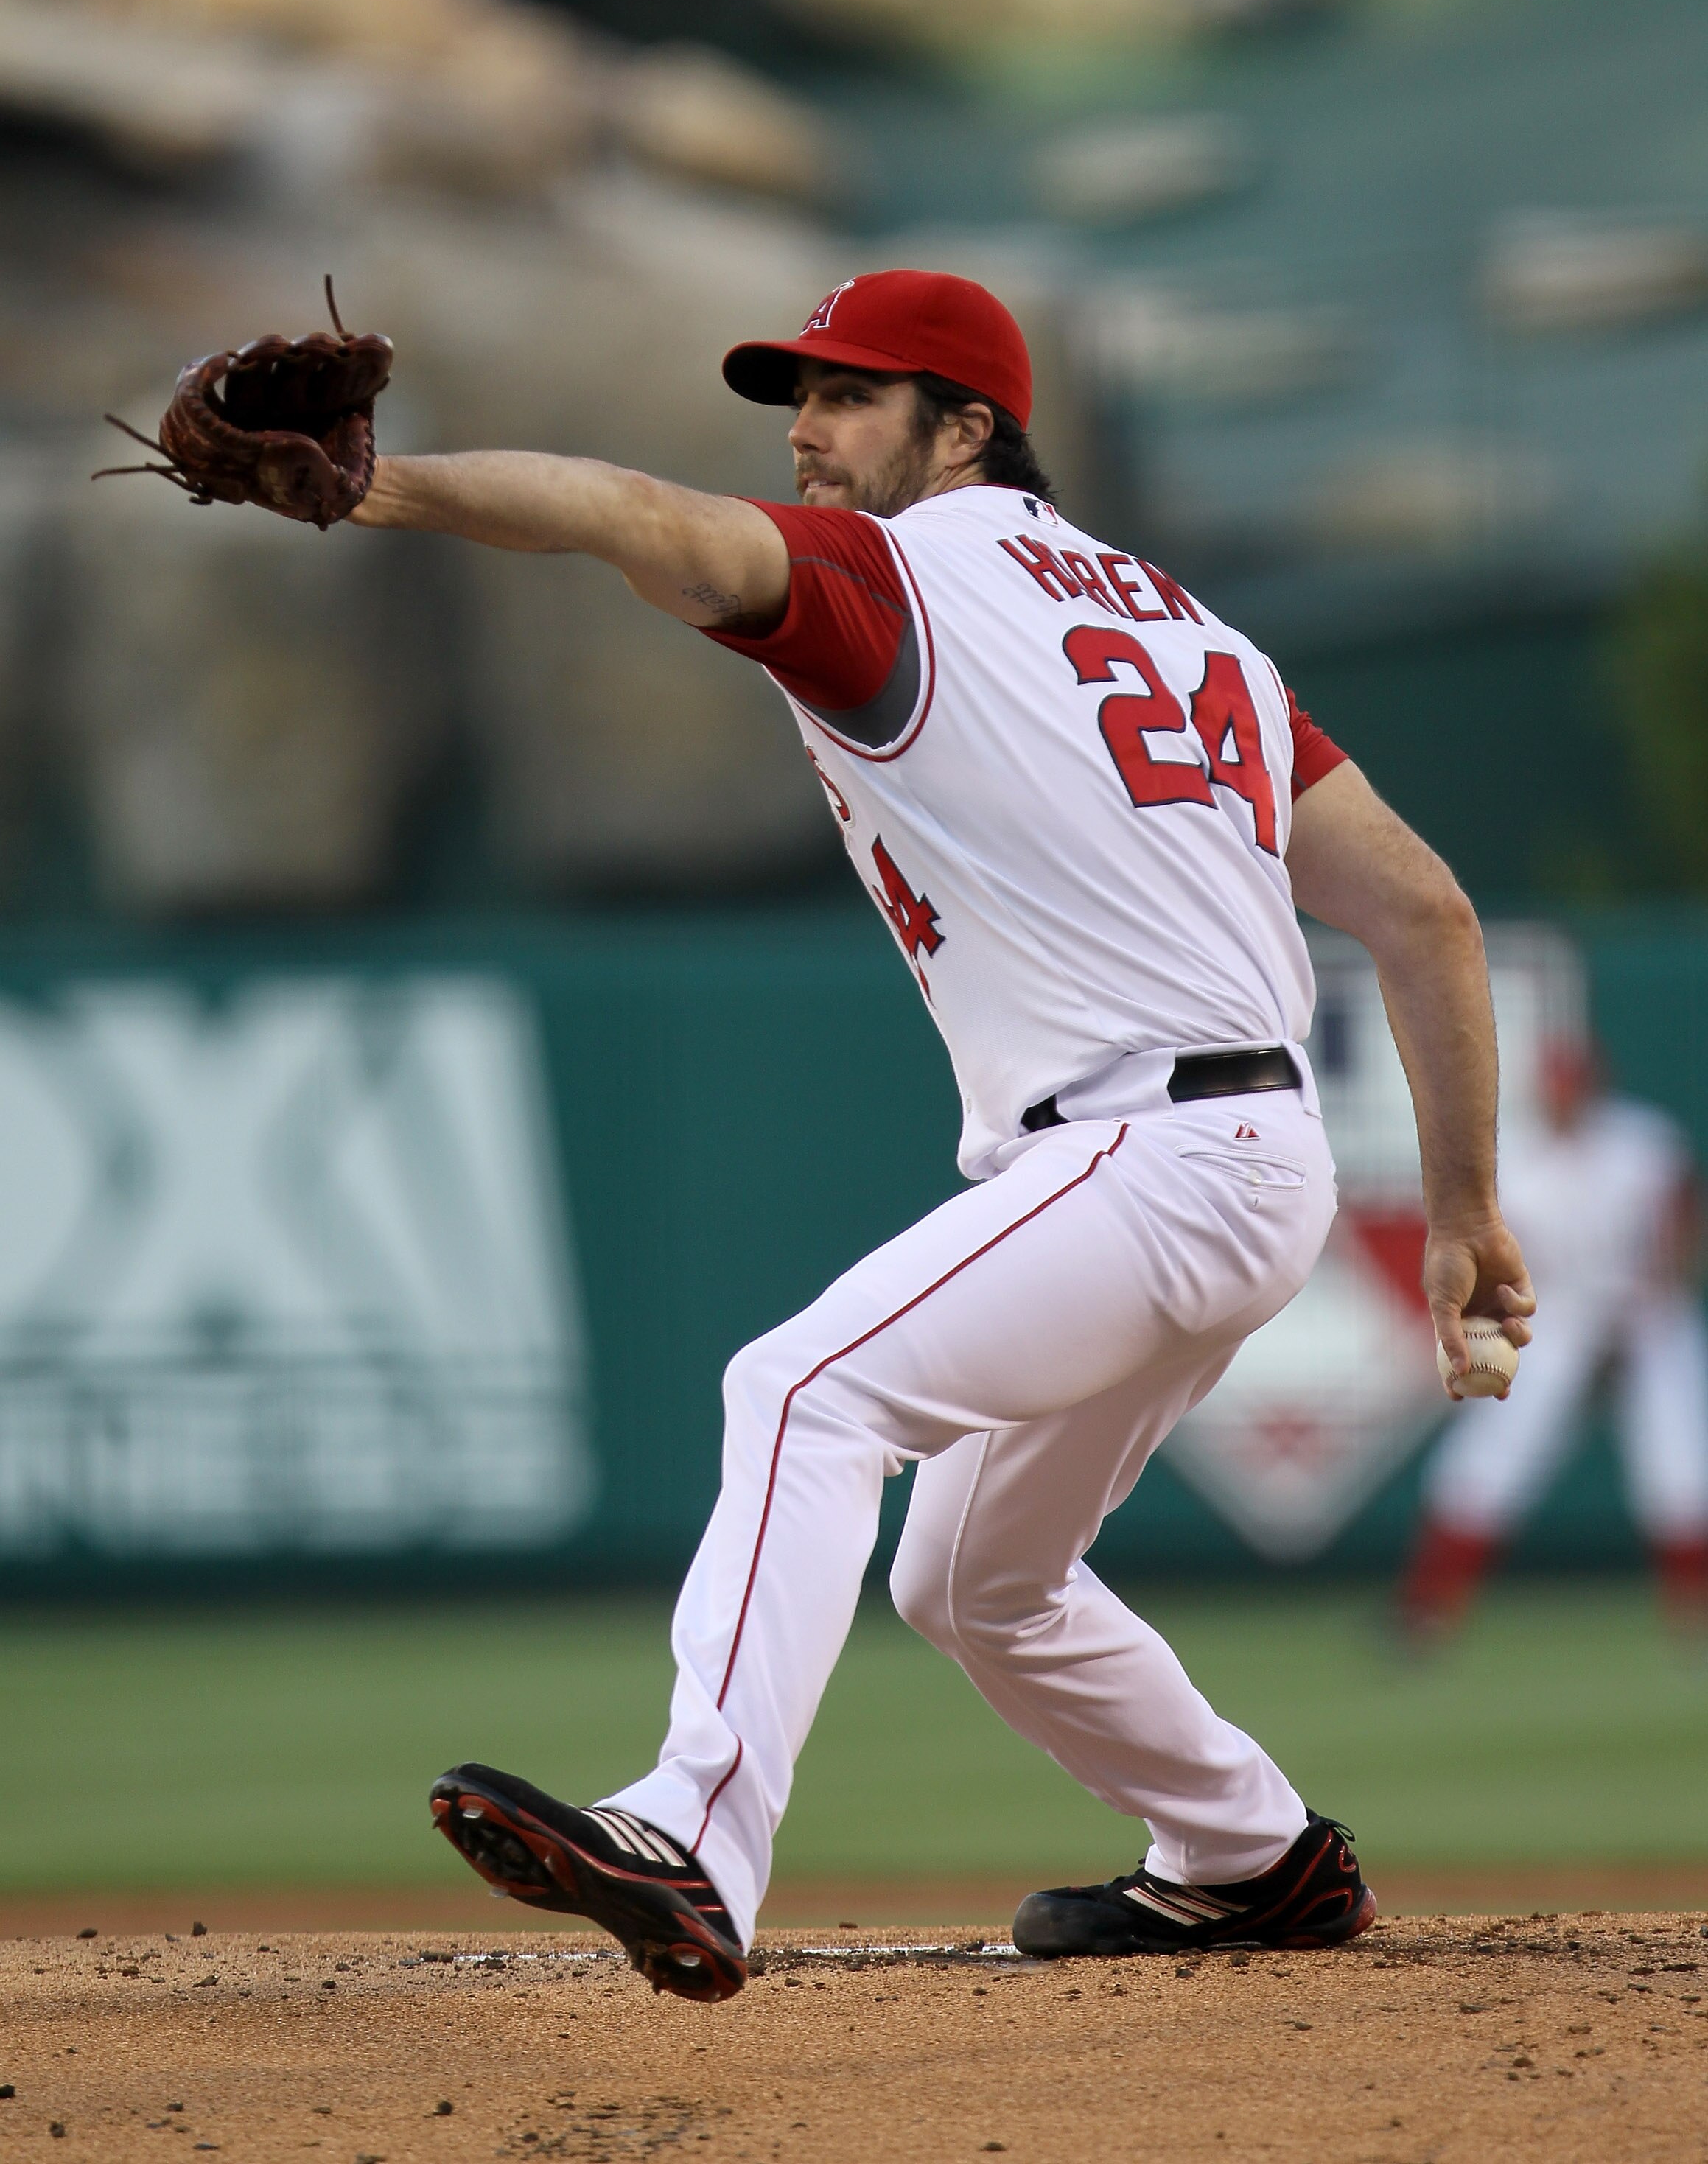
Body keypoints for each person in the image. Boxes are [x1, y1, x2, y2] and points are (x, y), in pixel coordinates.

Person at [351, 270, 1533, 2000]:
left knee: (801, 1388)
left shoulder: (893, 575)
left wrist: (378, 486)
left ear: (966, 425)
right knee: (977, 1579)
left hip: (1147, 1157)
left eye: (849, 396)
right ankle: (1247, 1853)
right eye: (797, 399)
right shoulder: (1195, 631)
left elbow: (624, 511)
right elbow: (1423, 908)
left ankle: (691, 1827)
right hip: (1239, 1156)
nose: (808, 433)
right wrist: (1461, 1208)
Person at [1401, 1035, 1708, 1639]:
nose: (1564, 1099)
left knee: (1680, 1465)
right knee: (1488, 1461)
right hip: (1554, 1317)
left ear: (1593, 1085)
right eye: (1556, 1087)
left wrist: (1656, 1290)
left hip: (1645, 1314)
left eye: (1574, 1086)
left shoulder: (1639, 1142)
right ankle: (1428, 1609)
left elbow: (1678, 1222)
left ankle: (1694, 1608)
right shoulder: (1512, 1156)